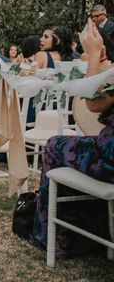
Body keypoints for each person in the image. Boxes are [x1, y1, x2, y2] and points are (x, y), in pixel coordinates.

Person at [30, 18, 114, 258]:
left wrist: (94, 55)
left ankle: (51, 237)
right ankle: (90, 226)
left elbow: (93, 104)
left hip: (109, 160)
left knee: (54, 145)